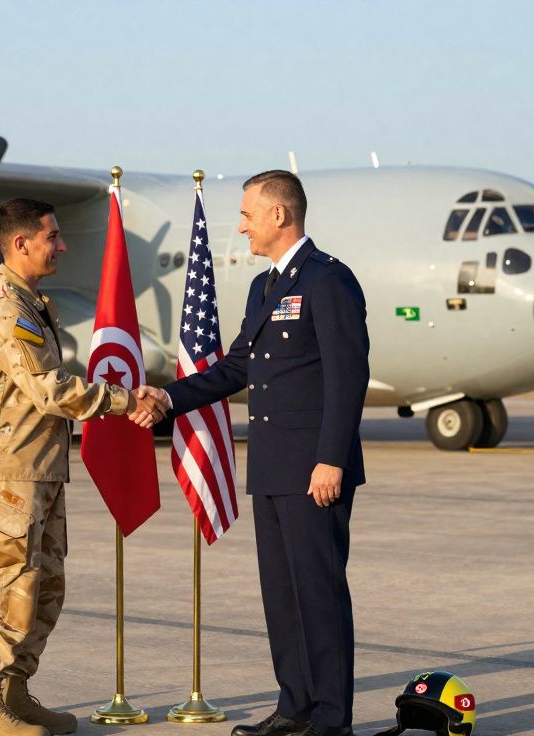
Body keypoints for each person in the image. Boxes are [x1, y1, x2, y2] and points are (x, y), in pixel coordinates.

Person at [141, 170, 370, 736]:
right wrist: (169, 397)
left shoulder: (328, 282)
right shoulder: (264, 287)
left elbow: (348, 378)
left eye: (246, 214)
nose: (239, 225)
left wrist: (332, 459)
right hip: (270, 466)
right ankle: (295, 705)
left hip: (314, 468)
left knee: (319, 593)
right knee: (282, 596)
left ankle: (332, 719)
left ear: (279, 215)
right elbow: (238, 368)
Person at [0, 197, 164, 736]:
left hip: (41, 469)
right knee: (9, 585)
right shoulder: (6, 309)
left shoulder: (32, 304)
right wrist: (125, 401)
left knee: (43, 588)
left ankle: (13, 691)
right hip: (10, 474)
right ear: (21, 243)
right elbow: (49, 390)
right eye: (52, 236)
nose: (62, 245)